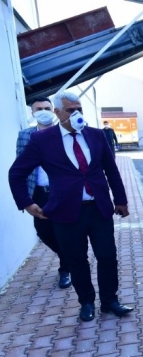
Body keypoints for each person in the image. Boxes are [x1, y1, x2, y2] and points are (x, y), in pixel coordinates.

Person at [8, 90, 132, 322]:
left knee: (107, 256)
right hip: (66, 212)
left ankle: (110, 301)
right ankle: (86, 302)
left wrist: (121, 200)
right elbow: (16, 173)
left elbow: (111, 170)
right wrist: (26, 203)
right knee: (77, 259)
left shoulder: (96, 135)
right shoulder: (42, 140)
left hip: (99, 208)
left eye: (79, 109)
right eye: (70, 110)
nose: (76, 114)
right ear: (57, 112)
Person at [15, 96, 71, 289]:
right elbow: (20, 167)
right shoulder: (25, 136)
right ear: (32, 112)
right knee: (44, 232)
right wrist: (25, 198)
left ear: (54, 110)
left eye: (47, 108)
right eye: (39, 109)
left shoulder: (64, 132)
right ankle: (68, 258)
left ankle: (65, 268)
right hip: (39, 193)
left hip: (63, 191)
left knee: (65, 231)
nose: (43, 112)